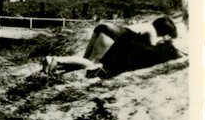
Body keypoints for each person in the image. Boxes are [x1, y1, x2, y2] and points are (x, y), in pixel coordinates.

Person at [43, 16, 179, 78]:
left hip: (104, 28)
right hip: (110, 33)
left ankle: (56, 70)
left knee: (85, 61)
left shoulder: (146, 25)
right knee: (93, 63)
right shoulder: (152, 31)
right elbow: (153, 48)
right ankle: (55, 60)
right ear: (164, 32)